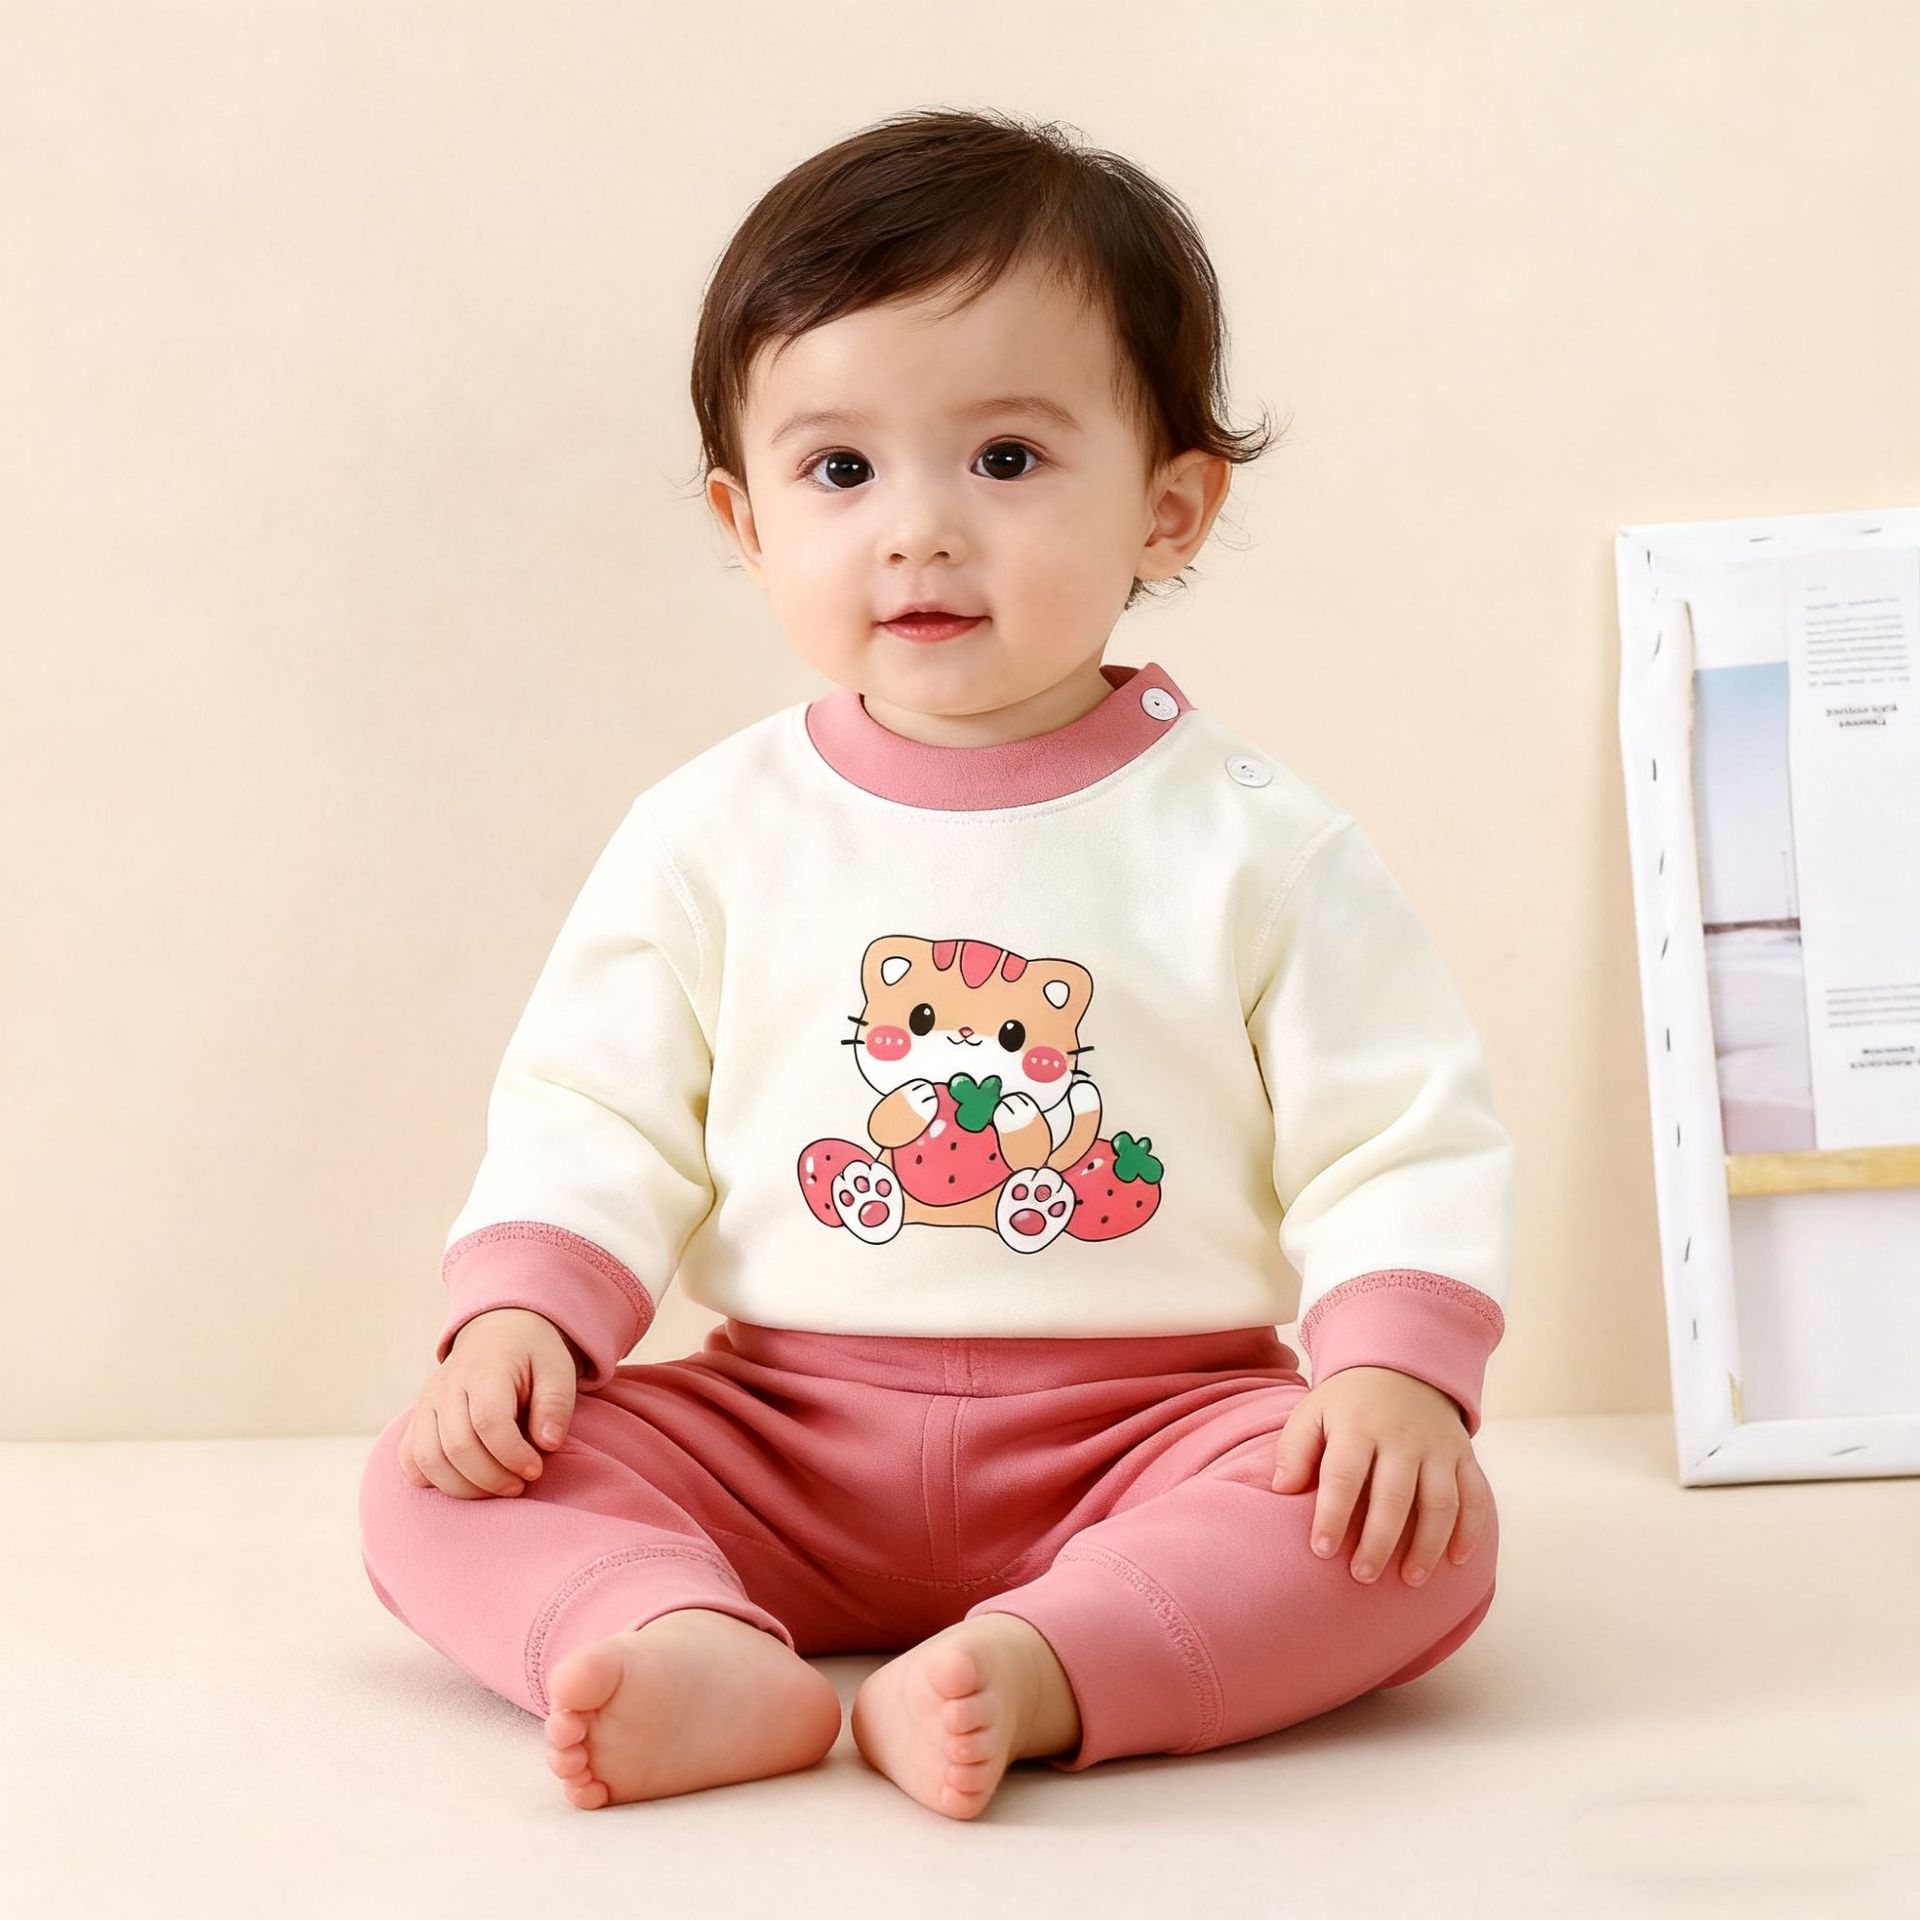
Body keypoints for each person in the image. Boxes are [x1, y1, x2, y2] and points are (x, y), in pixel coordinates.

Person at [358, 106, 1514, 1823]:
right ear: (746, 520)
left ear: (1170, 509)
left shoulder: (1258, 843)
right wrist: (521, 1316)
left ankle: (1044, 1665)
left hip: (1152, 1431)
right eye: (841, 471)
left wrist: (1391, 1375)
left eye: (1006, 459)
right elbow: (596, 1105)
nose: (918, 530)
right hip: (780, 1435)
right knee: (430, 1481)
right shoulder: (710, 831)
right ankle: (677, 1637)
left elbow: (1398, 1126)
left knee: (1415, 1532)